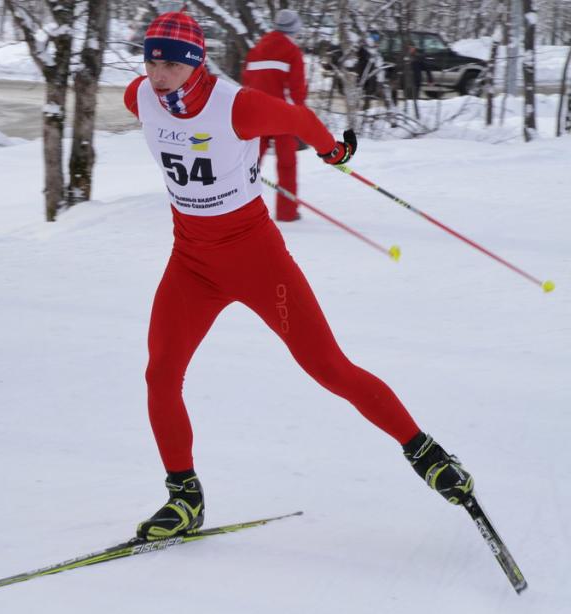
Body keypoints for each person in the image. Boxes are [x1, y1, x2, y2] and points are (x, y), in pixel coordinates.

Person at [123, 10, 474, 541]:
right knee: (160, 374)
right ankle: (184, 497)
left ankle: (427, 454)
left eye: (170, 62)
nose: (158, 73)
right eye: (151, 61)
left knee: (328, 367)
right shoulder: (140, 97)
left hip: (257, 261)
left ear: (195, 63)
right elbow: (171, 125)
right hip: (191, 264)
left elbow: (299, 120)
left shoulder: (237, 105)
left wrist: (334, 152)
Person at [242, 9, 308, 222]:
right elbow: (297, 89)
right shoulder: (292, 51)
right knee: (287, 164)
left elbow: (247, 82)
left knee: (249, 164)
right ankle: (287, 212)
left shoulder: (256, 49)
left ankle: (238, 207)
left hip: (255, 115)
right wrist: (299, 117)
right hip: (282, 116)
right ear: (294, 29)